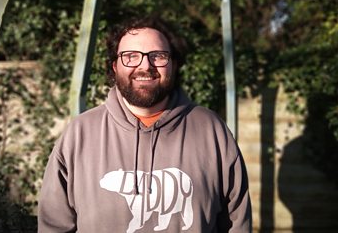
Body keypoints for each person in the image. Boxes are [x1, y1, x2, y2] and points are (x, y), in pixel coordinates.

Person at [37, 16, 252, 233]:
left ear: (174, 65)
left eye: (158, 56)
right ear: (114, 66)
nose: (145, 65)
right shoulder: (80, 134)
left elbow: (237, 223)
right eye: (130, 56)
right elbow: (53, 226)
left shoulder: (211, 130)